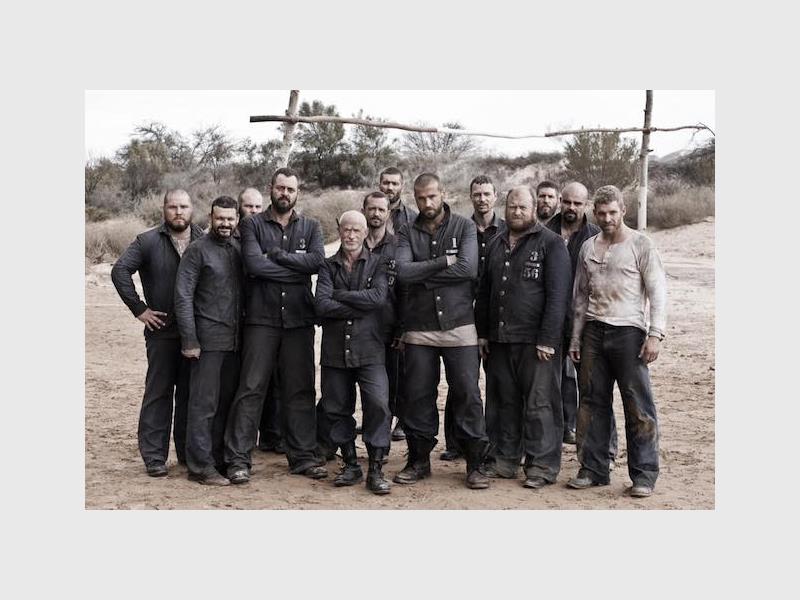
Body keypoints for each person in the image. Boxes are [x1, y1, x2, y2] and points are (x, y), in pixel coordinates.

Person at [224, 167, 327, 483]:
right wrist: (296, 271)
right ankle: (238, 459)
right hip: (261, 319)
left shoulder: (311, 226)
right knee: (251, 388)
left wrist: (278, 258)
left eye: (290, 189)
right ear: (271, 188)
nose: (285, 194)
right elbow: (254, 265)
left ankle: (303, 457)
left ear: (298, 193)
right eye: (281, 188)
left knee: (301, 389)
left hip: (298, 320)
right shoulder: (252, 224)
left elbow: (317, 262)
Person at [567, 185, 667, 498]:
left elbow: (657, 291)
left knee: (638, 406)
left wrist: (655, 334)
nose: (607, 218)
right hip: (593, 332)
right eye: (601, 213)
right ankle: (593, 469)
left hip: (629, 332)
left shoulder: (641, 244)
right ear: (594, 213)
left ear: (623, 210)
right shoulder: (588, 246)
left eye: (613, 212)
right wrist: (575, 337)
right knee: (591, 403)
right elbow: (580, 296)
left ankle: (643, 475)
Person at [394, 172, 490, 489]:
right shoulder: (406, 230)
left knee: (467, 393)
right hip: (419, 328)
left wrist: (424, 275)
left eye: (432, 196)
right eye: (421, 198)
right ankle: (418, 461)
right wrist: (444, 263)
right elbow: (403, 273)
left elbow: (468, 268)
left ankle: (475, 464)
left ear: (443, 193)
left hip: (460, 324)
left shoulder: (464, 226)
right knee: (418, 395)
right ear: (415, 198)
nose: (427, 202)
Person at [475, 186, 571, 488]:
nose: (517, 212)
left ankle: (541, 466)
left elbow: (558, 297)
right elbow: (485, 291)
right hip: (500, 340)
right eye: (512, 207)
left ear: (534, 209)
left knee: (540, 405)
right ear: (505, 208)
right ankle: (503, 461)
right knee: (503, 403)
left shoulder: (551, 244)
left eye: (523, 207)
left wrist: (548, 339)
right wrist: (483, 334)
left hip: (536, 344)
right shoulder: (495, 242)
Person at [111, 189, 204, 477]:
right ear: (164, 209)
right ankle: (154, 457)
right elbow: (120, 271)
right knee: (159, 393)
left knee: (190, 395)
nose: (179, 212)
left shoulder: (204, 240)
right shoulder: (148, 241)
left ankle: (187, 454)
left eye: (184, 206)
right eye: (173, 207)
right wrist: (139, 309)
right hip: (161, 331)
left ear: (192, 209)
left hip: (196, 333)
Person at [315, 210, 392, 494]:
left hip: (370, 350)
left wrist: (340, 296)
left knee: (378, 405)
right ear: (339, 230)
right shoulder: (327, 266)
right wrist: (360, 306)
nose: (350, 235)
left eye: (356, 230)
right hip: (335, 352)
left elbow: (378, 298)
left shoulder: (378, 263)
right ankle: (350, 464)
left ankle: (376, 469)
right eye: (346, 229)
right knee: (336, 408)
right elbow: (321, 305)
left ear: (365, 233)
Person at [174, 196, 243, 486]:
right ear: (211, 218)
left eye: (230, 218)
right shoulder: (197, 250)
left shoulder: (238, 248)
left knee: (225, 404)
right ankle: (200, 467)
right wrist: (190, 340)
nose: (225, 223)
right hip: (206, 342)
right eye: (220, 218)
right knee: (203, 405)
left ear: (237, 219)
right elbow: (183, 296)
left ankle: (217, 460)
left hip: (234, 342)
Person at [441, 175, 505, 462]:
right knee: (461, 382)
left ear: (495, 196)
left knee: (497, 382)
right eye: (477, 194)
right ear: (471, 197)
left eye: (487, 194)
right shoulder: (460, 229)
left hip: (494, 314)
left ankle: (491, 443)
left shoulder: (505, 230)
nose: (482, 199)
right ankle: (455, 444)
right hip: (462, 312)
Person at [544, 182, 599, 444]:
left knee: (591, 388)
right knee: (548, 386)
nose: (571, 207)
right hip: (551, 323)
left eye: (578, 203)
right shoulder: (543, 233)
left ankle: (596, 450)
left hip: (585, 323)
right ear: (560, 201)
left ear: (586, 205)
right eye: (567, 202)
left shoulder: (595, 236)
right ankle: (550, 444)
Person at [237, 188, 285, 455]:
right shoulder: (231, 234)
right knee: (248, 383)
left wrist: (267, 265)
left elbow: (266, 264)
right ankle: (241, 443)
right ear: (239, 207)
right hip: (240, 317)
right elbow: (255, 266)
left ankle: (271, 435)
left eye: (257, 207)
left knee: (274, 380)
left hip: (266, 315)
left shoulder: (264, 232)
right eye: (248, 206)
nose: (253, 211)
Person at [362, 191, 407, 444]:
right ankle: (371, 429)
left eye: (381, 209)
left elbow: (406, 290)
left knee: (391, 382)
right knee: (367, 385)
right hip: (360, 327)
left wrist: (402, 328)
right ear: (364, 211)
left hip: (389, 327)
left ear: (388, 213)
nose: (376, 214)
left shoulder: (398, 246)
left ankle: (382, 438)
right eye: (372, 209)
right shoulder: (355, 242)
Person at [378, 166, 418, 235]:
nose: (390, 188)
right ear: (379, 185)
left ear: (402, 187)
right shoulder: (367, 214)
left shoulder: (412, 217)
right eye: (386, 183)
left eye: (395, 184)